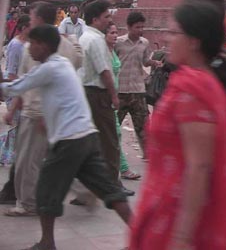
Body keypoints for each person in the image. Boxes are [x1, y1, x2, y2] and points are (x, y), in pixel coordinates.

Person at [129, 0, 226, 249]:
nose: (168, 39)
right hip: (172, 205)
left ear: (194, 40)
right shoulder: (196, 79)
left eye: (174, 33)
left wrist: (182, 237)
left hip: (185, 215)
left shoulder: (192, 88)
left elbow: (199, 166)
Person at [1, 24, 131, 250]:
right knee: (108, 189)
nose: (29, 48)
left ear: (43, 45)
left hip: (69, 141)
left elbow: (16, 87)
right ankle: (142, 233)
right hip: (87, 136)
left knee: (45, 191)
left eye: (32, 43)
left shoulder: (49, 68)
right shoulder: (61, 65)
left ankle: (47, 243)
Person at [3, 4, 83, 216]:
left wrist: (12, 108)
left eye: (31, 16)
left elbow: (21, 83)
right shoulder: (63, 43)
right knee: (46, 161)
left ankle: (29, 204)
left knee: (28, 163)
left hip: (37, 113)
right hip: (54, 114)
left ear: (37, 18)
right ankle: (83, 190)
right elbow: (77, 61)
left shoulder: (36, 47)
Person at [79, 0, 121, 187]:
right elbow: (104, 71)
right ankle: (111, 185)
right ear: (95, 20)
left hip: (87, 93)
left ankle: (90, 184)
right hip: (97, 95)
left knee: (91, 141)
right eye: (106, 17)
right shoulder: (95, 40)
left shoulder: (85, 37)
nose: (109, 20)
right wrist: (113, 95)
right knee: (109, 142)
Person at [115, 11, 161, 158]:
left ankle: (149, 156)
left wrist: (154, 63)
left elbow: (145, 61)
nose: (140, 30)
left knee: (144, 127)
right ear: (129, 27)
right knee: (114, 126)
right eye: (137, 27)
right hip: (120, 91)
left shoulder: (144, 43)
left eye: (142, 27)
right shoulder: (118, 43)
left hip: (138, 90)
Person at [106, 23, 140, 183]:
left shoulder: (112, 52)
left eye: (116, 32)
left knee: (115, 135)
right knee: (113, 136)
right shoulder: (102, 53)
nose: (115, 35)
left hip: (114, 98)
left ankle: (122, 170)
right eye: (111, 32)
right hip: (105, 100)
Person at [0, 15, 29, 168]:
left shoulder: (28, 44)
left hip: (23, 88)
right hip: (16, 89)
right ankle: (8, 154)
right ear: (24, 28)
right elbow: (11, 72)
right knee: (15, 125)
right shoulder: (16, 45)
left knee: (19, 126)